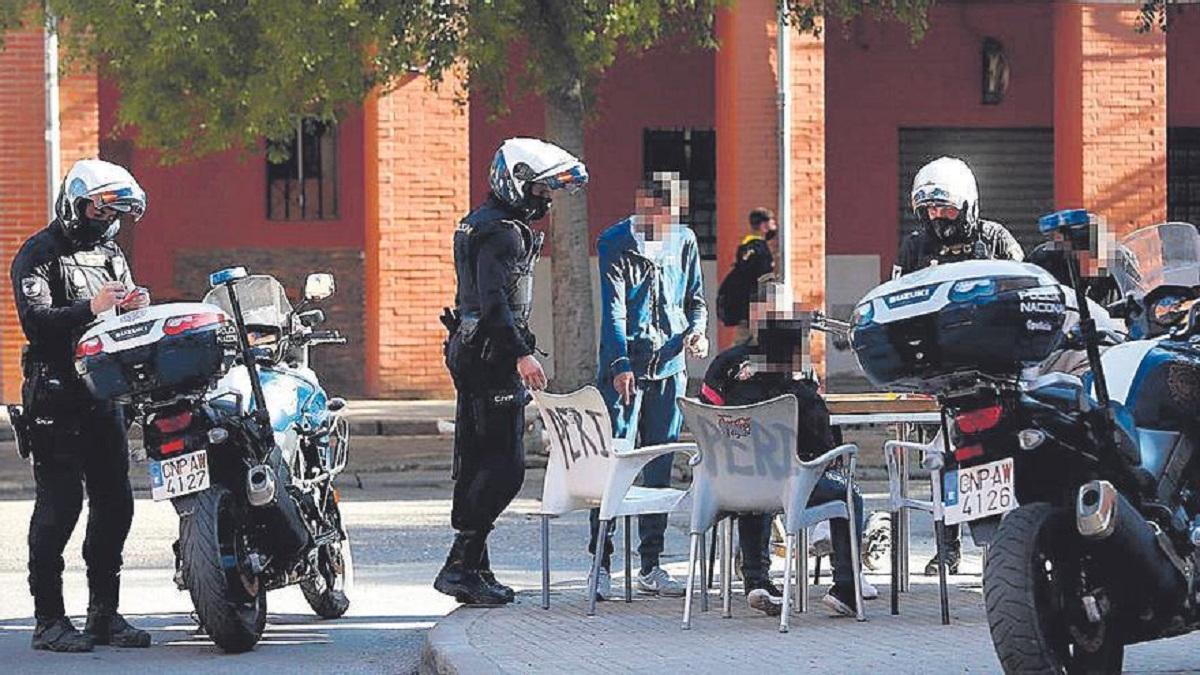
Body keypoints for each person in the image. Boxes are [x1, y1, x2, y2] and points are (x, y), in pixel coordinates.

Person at [436, 138, 588, 606]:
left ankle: (475, 566)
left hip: (471, 347)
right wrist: (521, 353)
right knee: (505, 467)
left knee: (477, 458)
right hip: (490, 353)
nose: (545, 198)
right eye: (540, 189)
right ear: (517, 182)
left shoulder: (478, 222)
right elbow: (496, 300)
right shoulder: (502, 232)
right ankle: (460, 565)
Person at [12, 159, 152, 652]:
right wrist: (92, 309)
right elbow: (38, 322)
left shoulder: (111, 254)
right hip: (55, 397)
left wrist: (134, 307)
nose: (106, 216)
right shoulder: (39, 253)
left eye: (114, 209)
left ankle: (104, 615)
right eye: (100, 206)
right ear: (77, 204)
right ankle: (49, 620)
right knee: (60, 506)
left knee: (116, 502)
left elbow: (123, 321)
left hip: (102, 395)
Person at [699, 285, 875, 617]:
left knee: (756, 475)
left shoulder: (724, 364)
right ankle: (847, 588)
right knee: (847, 493)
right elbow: (820, 438)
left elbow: (707, 418)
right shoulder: (798, 373)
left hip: (729, 482)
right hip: (790, 481)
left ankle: (756, 580)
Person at [896, 156, 1023, 575]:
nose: (938, 217)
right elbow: (895, 304)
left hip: (994, 371)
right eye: (930, 209)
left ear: (967, 205)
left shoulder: (996, 239)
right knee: (942, 461)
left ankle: (1000, 549)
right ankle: (947, 547)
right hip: (937, 373)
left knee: (996, 459)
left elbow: (1023, 292)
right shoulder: (915, 246)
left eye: (946, 208)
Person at [589, 171, 708, 599]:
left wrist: (696, 331)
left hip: (671, 368)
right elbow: (614, 313)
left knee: (658, 467)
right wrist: (620, 364)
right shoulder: (615, 242)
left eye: (674, 218)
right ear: (643, 202)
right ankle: (599, 563)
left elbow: (695, 298)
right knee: (615, 463)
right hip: (626, 368)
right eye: (661, 215)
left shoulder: (684, 241)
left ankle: (651, 564)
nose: (667, 226)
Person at [717, 207, 777, 344]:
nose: (774, 225)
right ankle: (732, 364)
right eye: (772, 222)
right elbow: (764, 279)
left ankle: (733, 364)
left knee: (744, 342)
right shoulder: (760, 249)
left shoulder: (746, 247)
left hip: (744, 306)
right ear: (763, 226)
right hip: (754, 307)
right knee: (753, 343)